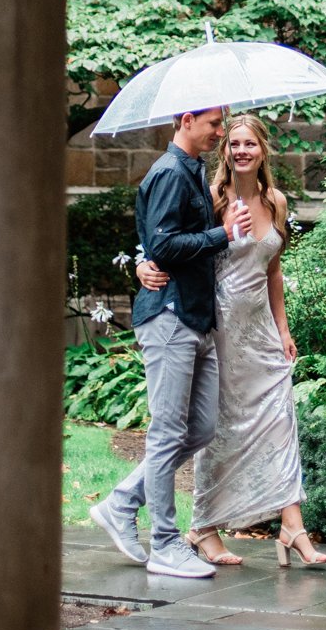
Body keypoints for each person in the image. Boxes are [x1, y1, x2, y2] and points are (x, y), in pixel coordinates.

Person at [135, 113, 326, 568]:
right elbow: (171, 240)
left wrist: (283, 329)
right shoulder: (212, 196)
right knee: (214, 431)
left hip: (260, 328)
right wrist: (141, 265)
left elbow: (274, 271)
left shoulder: (276, 201)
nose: (240, 150)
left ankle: (292, 524)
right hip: (216, 323)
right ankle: (204, 527)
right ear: (225, 152)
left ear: (263, 150)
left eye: (249, 144)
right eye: (233, 143)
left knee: (281, 420)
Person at [89, 104, 250, 580]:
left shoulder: (192, 171)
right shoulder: (169, 173)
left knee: (198, 429)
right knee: (165, 434)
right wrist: (224, 233)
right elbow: (162, 246)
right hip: (169, 319)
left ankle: (121, 503)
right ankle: (163, 543)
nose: (221, 133)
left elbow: (159, 241)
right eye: (214, 124)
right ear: (185, 120)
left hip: (196, 319)